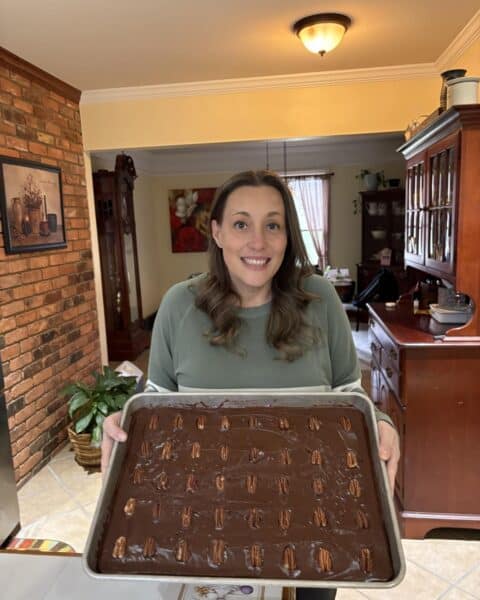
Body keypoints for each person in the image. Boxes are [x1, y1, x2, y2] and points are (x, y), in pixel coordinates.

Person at [102, 170, 400, 600]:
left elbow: (349, 400)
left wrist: (381, 421)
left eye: (272, 225)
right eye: (241, 224)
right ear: (218, 232)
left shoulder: (320, 300)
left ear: (287, 236)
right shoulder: (178, 306)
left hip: (311, 524)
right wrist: (122, 427)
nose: (257, 242)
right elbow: (156, 412)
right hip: (204, 521)